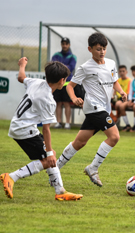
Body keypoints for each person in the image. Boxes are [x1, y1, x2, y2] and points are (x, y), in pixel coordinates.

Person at [0, 57, 83, 201]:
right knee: (48, 159)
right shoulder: (48, 100)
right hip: (24, 129)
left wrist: (22, 65)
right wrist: (49, 153)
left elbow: (21, 77)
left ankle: (60, 190)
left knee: (50, 156)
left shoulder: (36, 82)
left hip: (19, 125)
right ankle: (12, 177)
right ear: (62, 81)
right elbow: (46, 129)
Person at [55, 32, 127, 187]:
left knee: (79, 142)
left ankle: (55, 169)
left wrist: (121, 91)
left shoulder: (110, 63)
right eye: (98, 49)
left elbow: (114, 81)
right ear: (90, 49)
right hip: (94, 108)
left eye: (104, 49)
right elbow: (71, 87)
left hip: (103, 109)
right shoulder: (85, 67)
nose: (102, 52)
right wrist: (74, 98)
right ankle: (93, 168)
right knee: (114, 137)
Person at [52, 37, 77, 129]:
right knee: (58, 103)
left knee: (67, 103)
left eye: (66, 44)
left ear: (69, 45)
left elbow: (70, 69)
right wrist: (64, 66)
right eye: (63, 44)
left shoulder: (73, 56)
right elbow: (54, 67)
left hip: (67, 84)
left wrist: (60, 66)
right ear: (61, 44)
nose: (65, 45)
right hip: (58, 83)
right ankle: (58, 122)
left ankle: (67, 123)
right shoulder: (56, 55)